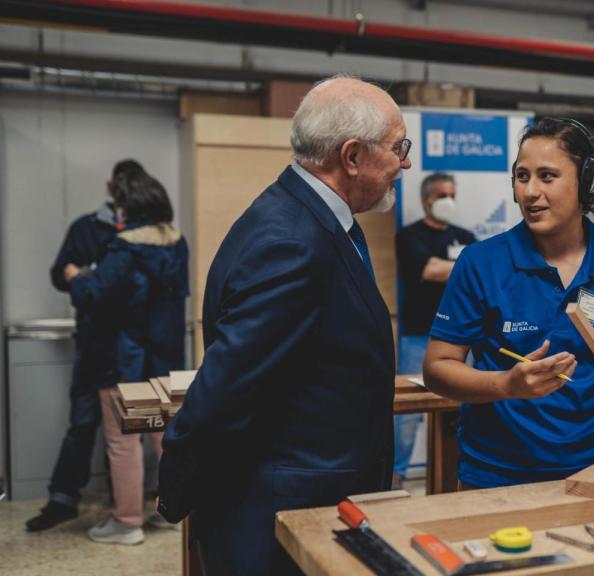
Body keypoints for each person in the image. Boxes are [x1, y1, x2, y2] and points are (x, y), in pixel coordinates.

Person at [158, 76, 410, 575]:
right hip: (275, 517)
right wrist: (179, 489)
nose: (406, 162)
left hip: (313, 497)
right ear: (352, 156)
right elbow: (225, 391)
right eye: (398, 147)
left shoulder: (321, 219)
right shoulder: (292, 240)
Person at [423, 117, 594, 489]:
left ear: (587, 182)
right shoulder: (481, 263)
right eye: (522, 176)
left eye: (547, 176)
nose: (530, 192)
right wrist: (506, 384)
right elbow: (437, 367)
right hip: (497, 475)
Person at [64, 169, 188, 544]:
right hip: (164, 358)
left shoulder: (123, 249)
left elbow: (97, 296)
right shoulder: (177, 244)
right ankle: (173, 512)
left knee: (123, 442)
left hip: (125, 360)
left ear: (129, 208)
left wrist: (76, 277)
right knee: (164, 438)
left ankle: (127, 522)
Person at [26, 159, 141, 532]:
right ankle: (63, 499)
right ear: (110, 187)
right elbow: (60, 275)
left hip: (130, 349)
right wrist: (84, 277)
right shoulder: (86, 228)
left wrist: (95, 280)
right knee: (82, 423)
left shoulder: (144, 232)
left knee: (127, 431)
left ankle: (122, 502)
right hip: (92, 345)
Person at [394, 173, 476, 486]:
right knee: (409, 413)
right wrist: (467, 268)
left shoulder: (464, 235)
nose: (448, 201)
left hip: (461, 339)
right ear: (426, 199)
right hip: (419, 335)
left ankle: (459, 469)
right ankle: (396, 475)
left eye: (452, 194)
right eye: (442, 194)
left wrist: (456, 269)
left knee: (461, 404)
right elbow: (430, 270)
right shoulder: (409, 237)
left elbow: (471, 274)